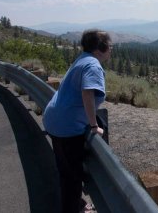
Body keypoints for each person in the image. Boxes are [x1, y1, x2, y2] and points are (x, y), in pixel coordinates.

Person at [43, 29, 112, 213]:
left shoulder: (83, 59)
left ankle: (78, 204)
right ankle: (72, 209)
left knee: (65, 170)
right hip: (67, 127)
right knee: (72, 178)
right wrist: (93, 125)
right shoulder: (93, 66)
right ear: (100, 48)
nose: (111, 50)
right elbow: (87, 93)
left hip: (54, 121)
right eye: (109, 46)